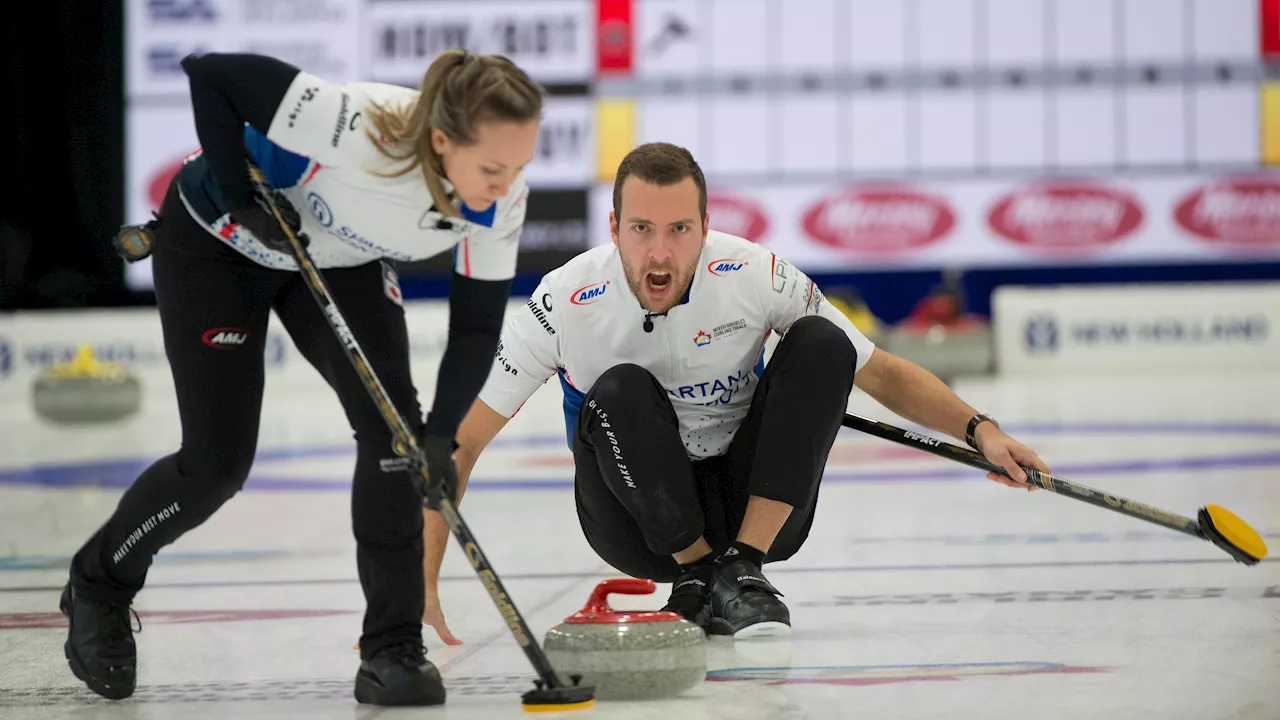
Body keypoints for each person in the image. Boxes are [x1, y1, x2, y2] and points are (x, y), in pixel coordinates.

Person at [417, 142, 1051, 643]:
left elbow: (878, 369)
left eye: (679, 230)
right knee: (619, 389)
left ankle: (739, 570)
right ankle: (697, 572)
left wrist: (982, 431)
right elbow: (461, 447)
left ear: (705, 227)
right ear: (612, 228)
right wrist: (419, 587)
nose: (659, 252)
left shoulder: (754, 273)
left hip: (752, 506)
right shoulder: (564, 299)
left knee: (825, 342)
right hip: (637, 522)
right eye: (640, 229)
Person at [61, 49, 544, 706]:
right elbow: (211, 73)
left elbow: (477, 328)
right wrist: (238, 197)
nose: (506, 184)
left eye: (520, 166)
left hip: (336, 256)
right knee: (217, 465)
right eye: (492, 167)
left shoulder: (499, 197)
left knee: (397, 440)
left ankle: (392, 647)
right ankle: (99, 583)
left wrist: (440, 438)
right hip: (219, 240)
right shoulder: (363, 126)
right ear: (438, 140)